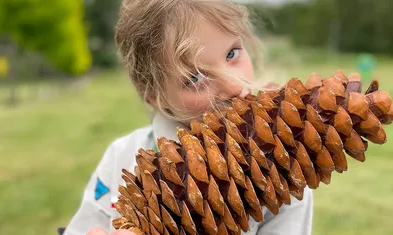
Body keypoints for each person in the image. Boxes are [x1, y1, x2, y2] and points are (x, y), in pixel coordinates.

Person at [62, 1, 313, 234]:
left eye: (232, 53)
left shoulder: (283, 175)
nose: (234, 87)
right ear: (153, 94)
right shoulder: (121, 158)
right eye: (195, 78)